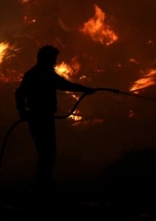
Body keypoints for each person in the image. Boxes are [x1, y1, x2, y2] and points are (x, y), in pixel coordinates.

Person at [15, 45, 96, 195]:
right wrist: (22, 111)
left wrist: (84, 89)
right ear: (45, 58)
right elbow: (20, 93)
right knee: (47, 153)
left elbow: (63, 84)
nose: (54, 62)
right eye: (53, 59)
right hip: (40, 118)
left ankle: (42, 186)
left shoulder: (39, 73)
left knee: (47, 153)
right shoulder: (39, 74)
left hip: (43, 117)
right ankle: (42, 188)